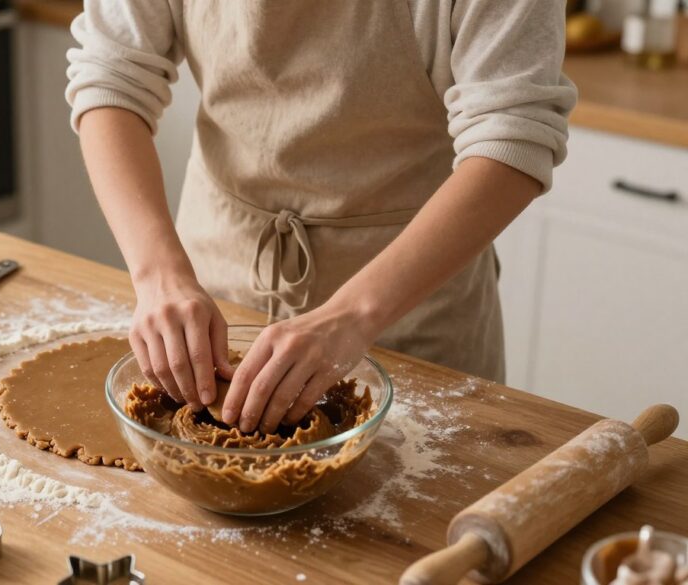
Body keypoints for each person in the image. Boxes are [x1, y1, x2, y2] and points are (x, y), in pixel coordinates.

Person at [65, 1, 576, 434]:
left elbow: (512, 135)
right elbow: (112, 77)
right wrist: (160, 276)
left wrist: (352, 317)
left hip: (411, 307)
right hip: (218, 278)